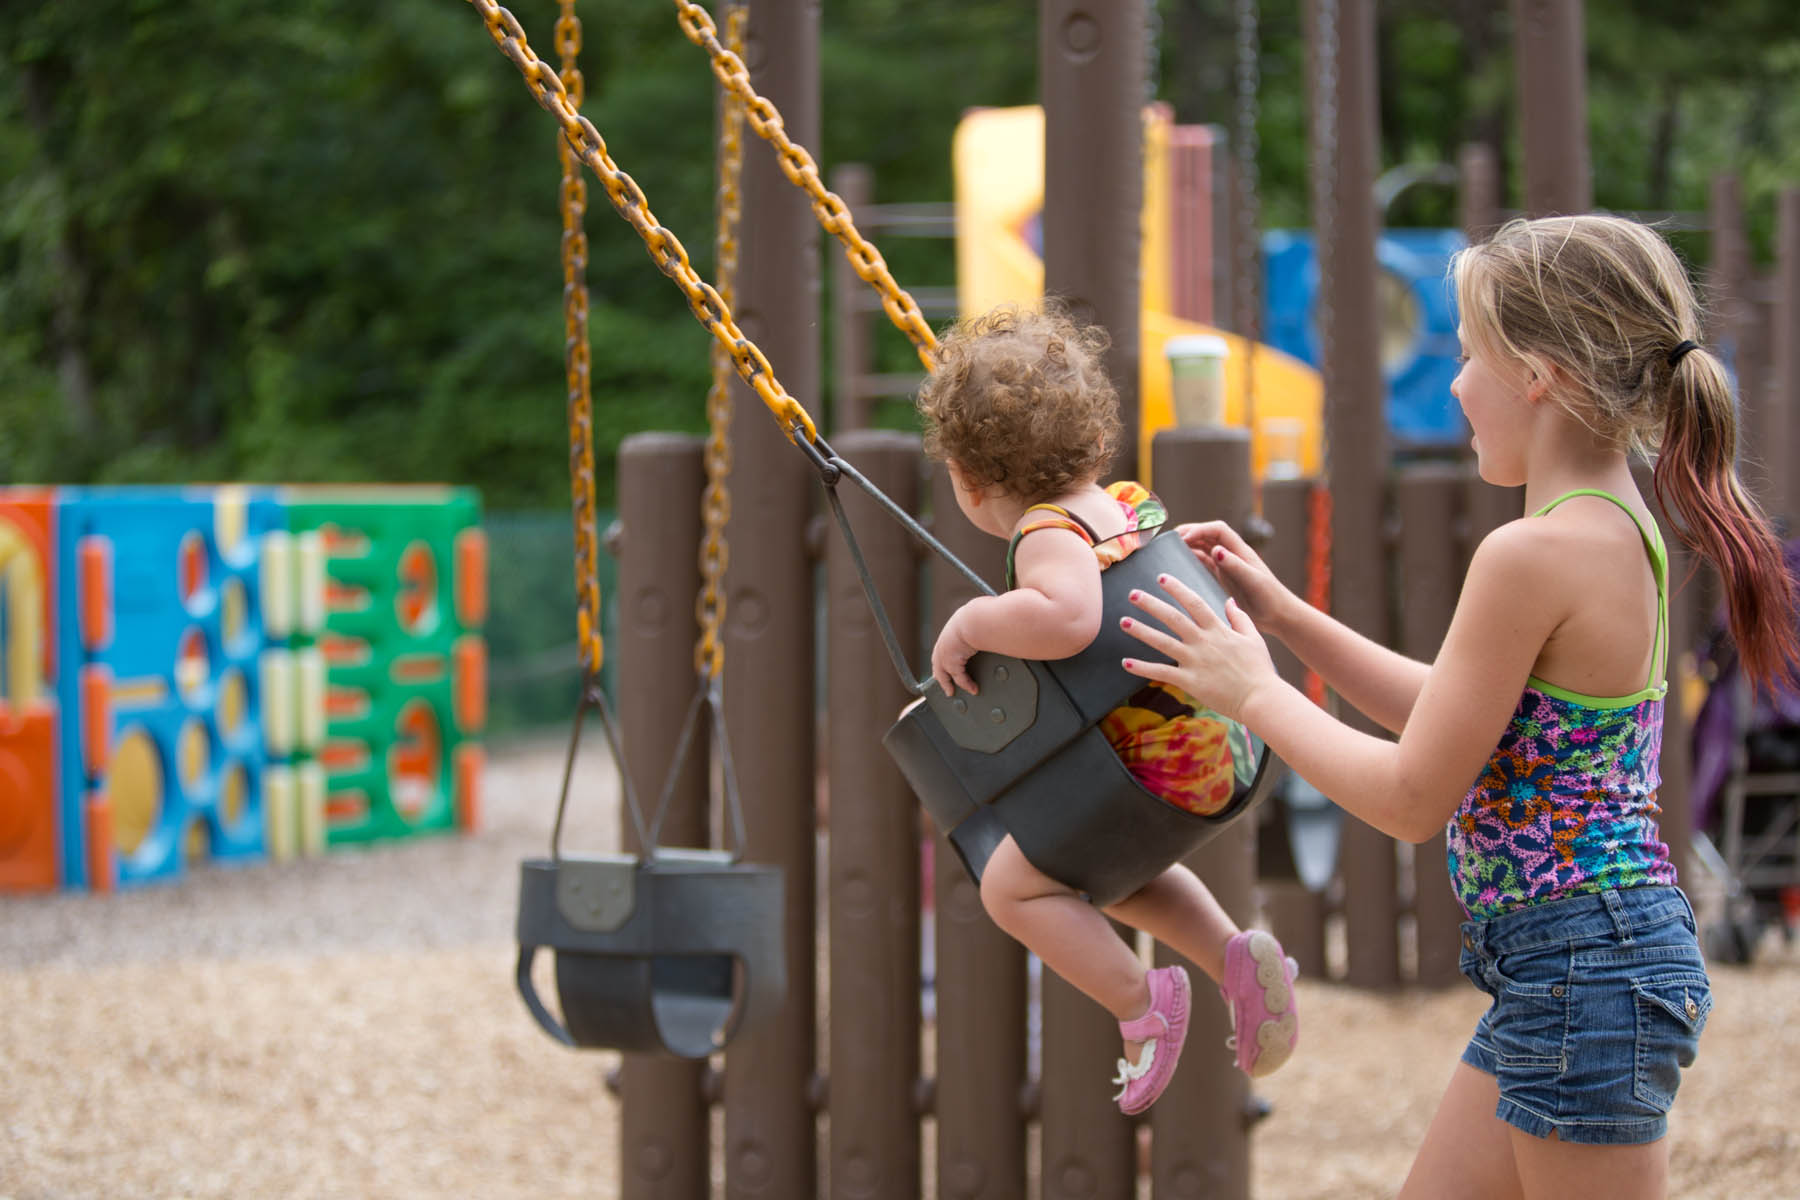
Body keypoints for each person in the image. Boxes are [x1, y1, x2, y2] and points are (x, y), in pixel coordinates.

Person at [1120, 213, 1800, 1196]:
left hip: (1583, 968)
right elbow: (1461, 716)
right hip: (1575, 960)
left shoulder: (1533, 553)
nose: (1451, 385)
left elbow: (1409, 795)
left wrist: (1252, 692)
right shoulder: (1613, 523)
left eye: (1468, 356)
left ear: (1537, 373)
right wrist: (1283, 617)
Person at [915, 302, 1299, 1116]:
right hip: (1222, 750)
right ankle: (1235, 953)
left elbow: (1067, 620)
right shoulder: (1126, 502)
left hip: (1149, 766)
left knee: (1012, 885)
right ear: (1095, 439)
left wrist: (972, 620)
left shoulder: (1046, 531)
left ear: (970, 482)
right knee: (1117, 879)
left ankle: (1140, 1005)